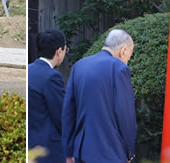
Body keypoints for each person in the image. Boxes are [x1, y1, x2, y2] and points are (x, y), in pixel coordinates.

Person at [62, 29, 137, 163]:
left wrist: (68, 151)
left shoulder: (79, 66)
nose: (127, 60)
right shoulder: (119, 68)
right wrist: (129, 151)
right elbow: (126, 115)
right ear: (124, 50)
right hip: (111, 152)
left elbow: (68, 112)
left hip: (81, 151)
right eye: (129, 56)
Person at [28, 30, 68, 163]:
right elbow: (62, 117)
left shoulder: (29, 69)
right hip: (48, 150)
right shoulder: (52, 77)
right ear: (59, 51)